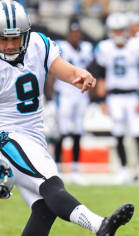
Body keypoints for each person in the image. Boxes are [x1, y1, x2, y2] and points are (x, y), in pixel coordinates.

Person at [0, 1, 134, 235]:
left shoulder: (38, 45)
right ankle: (99, 225)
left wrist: (79, 74)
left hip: (35, 135)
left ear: (27, 34)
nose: (11, 44)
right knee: (52, 185)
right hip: (5, 138)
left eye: (16, 38)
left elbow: (63, 68)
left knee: (45, 207)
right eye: (4, 38)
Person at [94, 12, 139, 185]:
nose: (118, 34)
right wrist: (102, 101)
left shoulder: (137, 46)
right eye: (115, 30)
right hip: (114, 97)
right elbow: (101, 76)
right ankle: (123, 169)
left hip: (133, 95)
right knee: (118, 135)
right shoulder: (104, 48)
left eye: (121, 30)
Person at [53, 17, 93, 184]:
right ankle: (57, 167)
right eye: (72, 33)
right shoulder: (60, 47)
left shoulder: (87, 48)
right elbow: (52, 71)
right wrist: (49, 95)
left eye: (78, 33)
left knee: (77, 131)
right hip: (64, 94)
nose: (75, 36)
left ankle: (75, 168)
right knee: (62, 131)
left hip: (81, 95)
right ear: (68, 34)